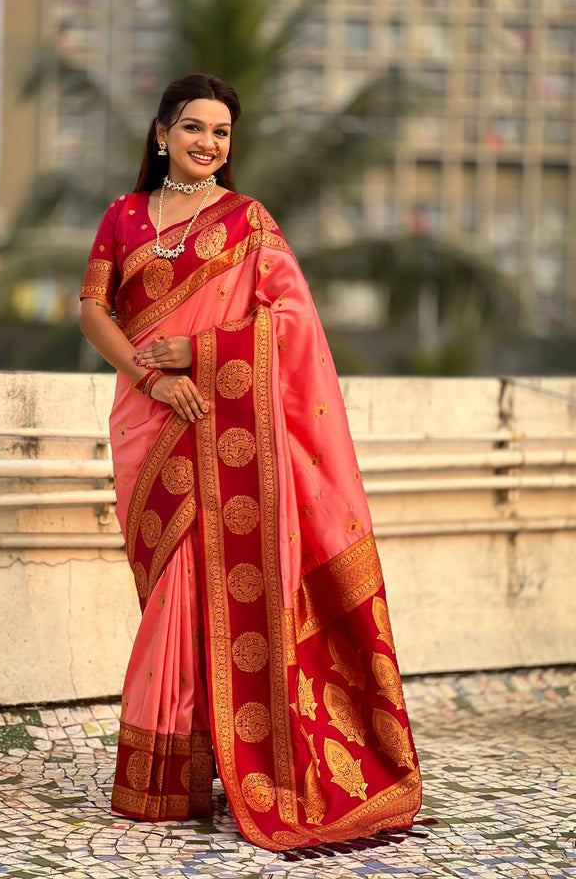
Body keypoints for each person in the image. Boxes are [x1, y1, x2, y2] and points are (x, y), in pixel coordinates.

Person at [79, 73, 421, 852]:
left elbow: (292, 322)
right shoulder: (123, 216)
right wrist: (150, 378)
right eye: (193, 127)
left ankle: (184, 773)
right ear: (161, 132)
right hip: (147, 421)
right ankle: (179, 763)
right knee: (168, 587)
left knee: (192, 590)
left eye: (222, 132)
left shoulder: (248, 222)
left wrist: (201, 351)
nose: (207, 142)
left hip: (222, 423)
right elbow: (93, 310)